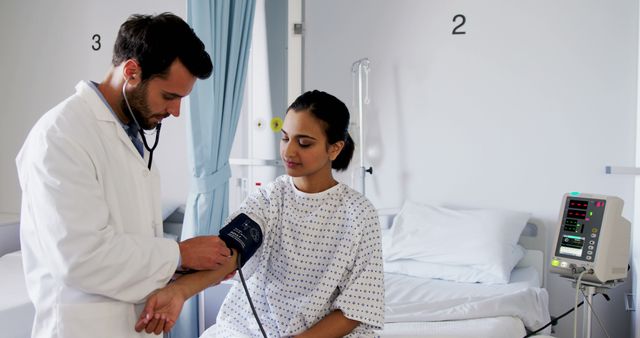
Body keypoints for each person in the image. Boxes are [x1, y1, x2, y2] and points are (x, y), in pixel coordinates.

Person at [16, 13, 233, 338]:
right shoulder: (60, 135)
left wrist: (174, 270)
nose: (175, 112)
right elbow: (80, 258)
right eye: (169, 96)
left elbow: (128, 235)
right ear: (132, 72)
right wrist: (179, 253)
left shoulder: (129, 136)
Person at [136, 90, 385, 337]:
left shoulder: (359, 214)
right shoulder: (269, 199)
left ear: (334, 149)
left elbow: (358, 308)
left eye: (304, 143)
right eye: (285, 138)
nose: (289, 152)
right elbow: (233, 249)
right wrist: (180, 291)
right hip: (250, 329)